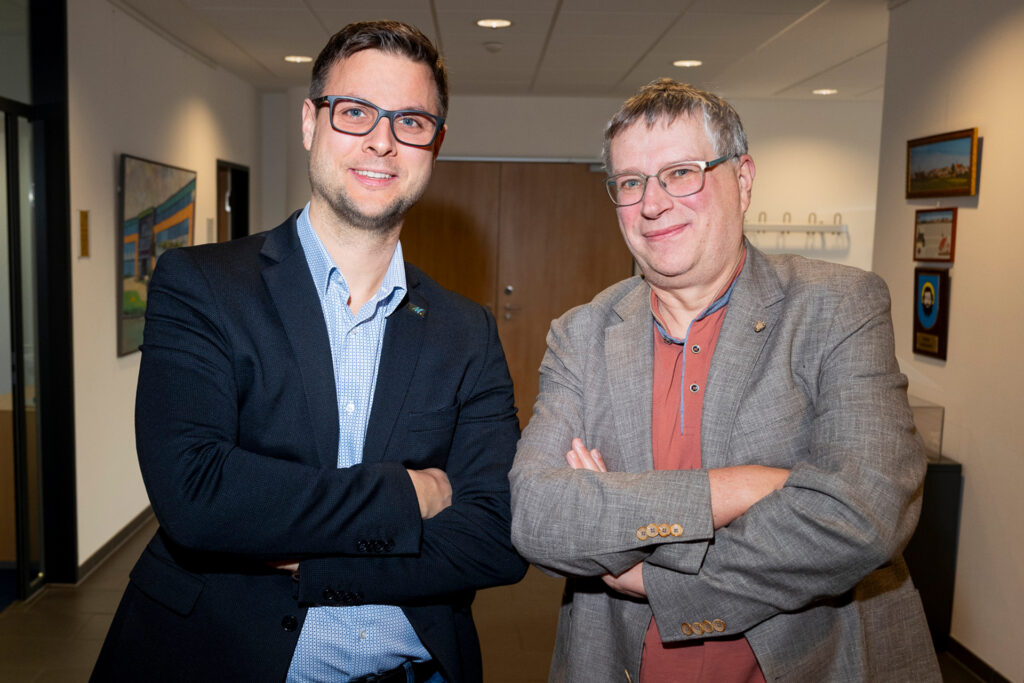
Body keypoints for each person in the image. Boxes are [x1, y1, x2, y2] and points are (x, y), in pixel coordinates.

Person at [92, 21, 526, 683]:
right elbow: (199, 495)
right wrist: (408, 493)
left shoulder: (467, 331)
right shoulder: (201, 286)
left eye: (410, 120)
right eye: (355, 112)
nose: (382, 140)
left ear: (435, 143)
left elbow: (495, 535)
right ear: (309, 122)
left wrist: (311, 556)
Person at [509, 78, 940, 682]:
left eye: (681, 172)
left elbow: (860, 518)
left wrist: (649, 570)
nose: (652, 204)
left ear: (742, 179)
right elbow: (538, 516)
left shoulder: (838, 306)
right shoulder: (581, 334)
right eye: (630, 183)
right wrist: (741, 488)